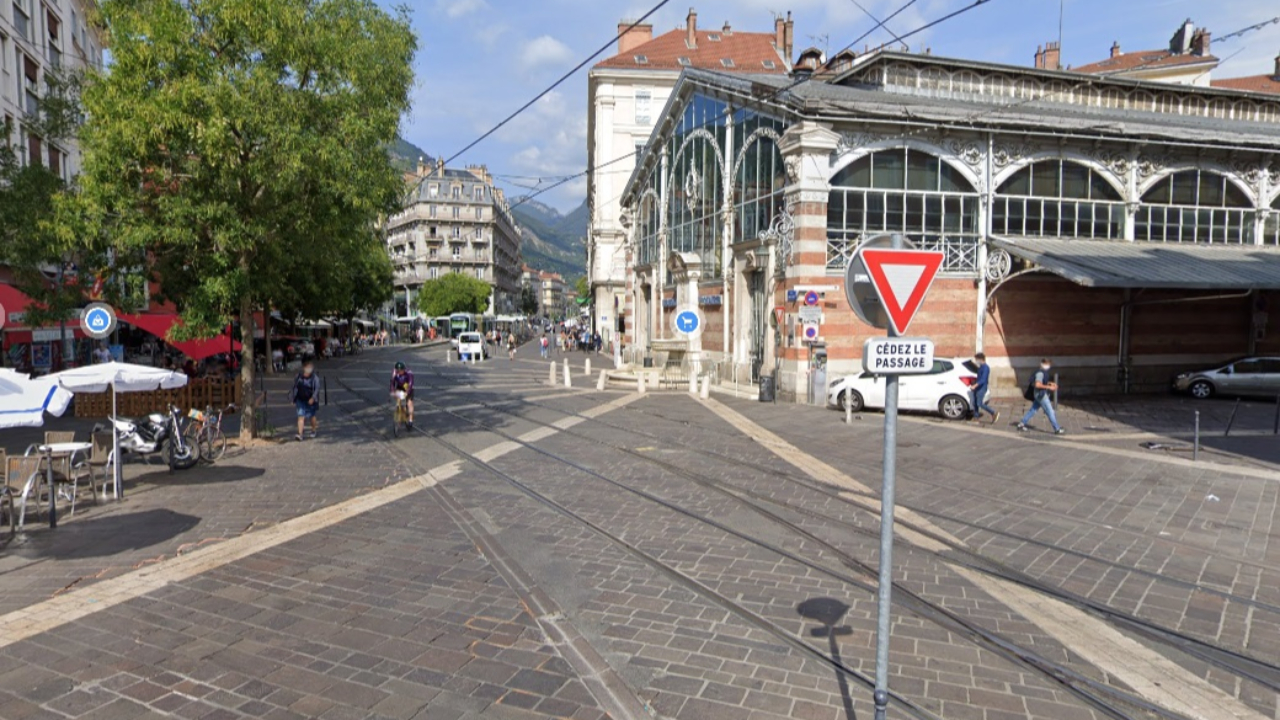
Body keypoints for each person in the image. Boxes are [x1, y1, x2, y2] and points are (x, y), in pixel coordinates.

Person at [1017, 358, 1064, 434]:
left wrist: (1049, 383)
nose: (1048, 366)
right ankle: (1057, 429)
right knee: (1050, 411)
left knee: (1033, 410)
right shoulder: (1040, 373)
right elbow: (1037, 384)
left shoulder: (1040, 372)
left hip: (1038, 395)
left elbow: (1041, 381)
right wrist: (1049, 387)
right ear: (1043, 364)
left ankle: (1021, 424)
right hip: (1041, 395)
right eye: (1048, 364)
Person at [289, 360, 320, 441]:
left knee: (311, 416)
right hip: (300, 399)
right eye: (307, 367)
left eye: (310, 367)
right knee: (300, 416)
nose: (309, 369)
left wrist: (313, 398)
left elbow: (317, 389)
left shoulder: (315, 378)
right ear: (304, 368)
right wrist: (292, 398)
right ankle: (300, 434)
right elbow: (294, 387)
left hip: (310, 400)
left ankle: (313, 430)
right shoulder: (298, 376)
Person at [968, 353, 998, 424]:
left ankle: (993, 413)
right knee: (975, 403)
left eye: (976, 360)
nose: (976, 361)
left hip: (981, 387)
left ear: (980, 359)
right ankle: (976, 417)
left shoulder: (985, 368)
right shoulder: (981, 367)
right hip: (978, 387)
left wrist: (975, 385)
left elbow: (983, 379)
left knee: (979, 403)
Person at [390, 360, 415, 429]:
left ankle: (410, 420)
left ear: (404, 369)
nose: (399, 372)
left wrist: (407, 393)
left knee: (409, 403)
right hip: (400, 386)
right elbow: (392, 383)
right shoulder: (394, 372)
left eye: (401, 371)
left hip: (407, 386)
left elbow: (410, 384)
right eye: (398, 370)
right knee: (398, 400)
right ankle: (400, 411)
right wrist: (392, 392)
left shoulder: (409, 373)